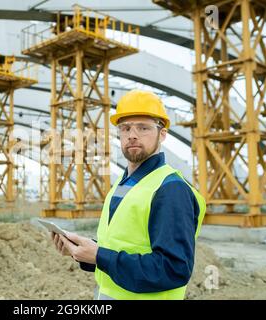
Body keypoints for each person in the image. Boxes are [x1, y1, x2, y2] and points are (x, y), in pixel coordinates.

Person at [51, 90, 206, 300]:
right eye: (125, 128)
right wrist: (82, 252)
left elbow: (173, 269)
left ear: (162, 134)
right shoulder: (123, 184)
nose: (132, 134)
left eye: (143, 128)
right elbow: (121, 245)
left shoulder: (170, 189)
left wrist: (99, 255)